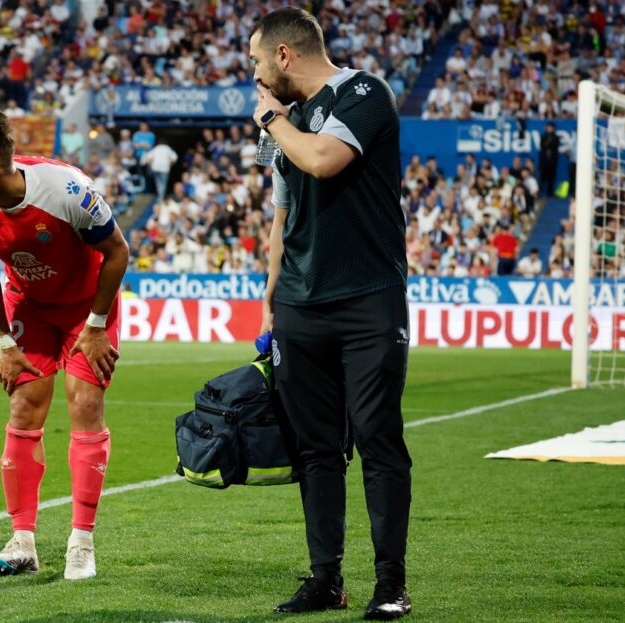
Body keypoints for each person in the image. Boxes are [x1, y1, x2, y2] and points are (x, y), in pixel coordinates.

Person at [250, 8, 412, 620]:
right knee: (316, 450)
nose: (258, 78)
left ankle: (390, 584)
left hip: (368, 297)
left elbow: (322, 160)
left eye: (259, 63)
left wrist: (272, 120)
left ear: (286, 55)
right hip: (299, 304)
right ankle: (325, 580)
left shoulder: (364, 91)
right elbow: (282, 213)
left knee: (377, 439)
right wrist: (269, 303)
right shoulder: (284, 126)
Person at [0, 112, 129, 581]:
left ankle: (81, 543)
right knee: (24, 408)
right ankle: (22, 541)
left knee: (84, 403)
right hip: (30, 304)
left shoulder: (66, 190)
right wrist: (4, 342)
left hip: (88, 308)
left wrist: (96, 326)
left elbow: (117, 252)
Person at [539, 122, 560, 197]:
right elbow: (542, 145)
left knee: (551, 176)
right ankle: (541, 191)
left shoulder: (556, 137)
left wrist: (548, 144)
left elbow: (554, 146)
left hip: (552, 161)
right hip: (544, 161)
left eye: (550, 127)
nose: (548, 129)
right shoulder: (544, 136)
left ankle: (550, 192)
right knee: (543, 176)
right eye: (548, 127)